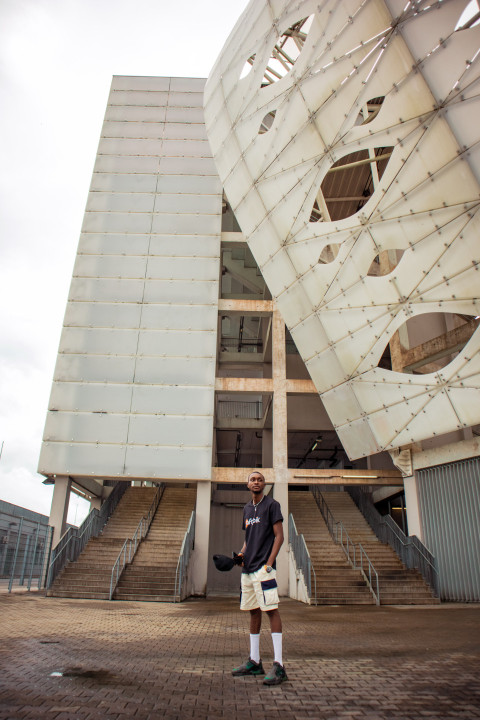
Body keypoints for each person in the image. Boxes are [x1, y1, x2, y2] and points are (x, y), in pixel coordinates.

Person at [232, 470, 287, 685]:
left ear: (264, 484)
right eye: (253, 479)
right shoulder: (246, 509)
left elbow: (279, 536)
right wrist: (239, 556)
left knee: (271, 610)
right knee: (254, 612)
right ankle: (254, 662)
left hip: (263, 568)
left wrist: (269, 564)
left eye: (260, 479)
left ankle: (279, 665)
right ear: (247, 485)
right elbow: (248, 539)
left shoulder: (272, 505)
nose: (256, 482)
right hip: (248, 570)